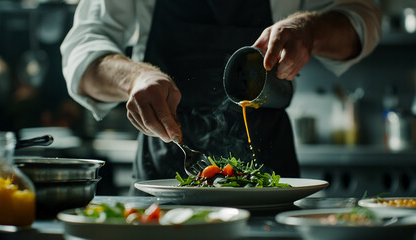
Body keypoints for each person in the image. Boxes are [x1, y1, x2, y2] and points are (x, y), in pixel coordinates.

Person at [61, 0, 381, 193]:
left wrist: (310, 29)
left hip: (270, 163)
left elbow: (364, 17)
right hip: (165, 160)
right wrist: (134, 78)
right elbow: (81, 49)